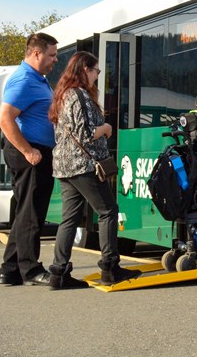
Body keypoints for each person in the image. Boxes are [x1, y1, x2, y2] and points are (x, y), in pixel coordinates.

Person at [47, 51, 141, 288]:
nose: (97, 76)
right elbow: (85, 133)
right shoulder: (78, 95)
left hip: (66, 167)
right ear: (85, 69)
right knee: (108, 210)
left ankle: (58, 273)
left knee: (69, 219)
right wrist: (106, 127)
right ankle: (110, 267)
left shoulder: (62, 94)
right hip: (83, 165)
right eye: (96, 71)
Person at [0, 32, 59, 287]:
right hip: (31, 152)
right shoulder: (23, 80)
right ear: (36, 53)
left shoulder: (38, 79)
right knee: (32, 213)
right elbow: (5, 119)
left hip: (37, 150)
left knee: (25, 212)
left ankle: (10, 269)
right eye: (52, 55)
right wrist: (27, 151)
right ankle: (31, 269)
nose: (55, 60)